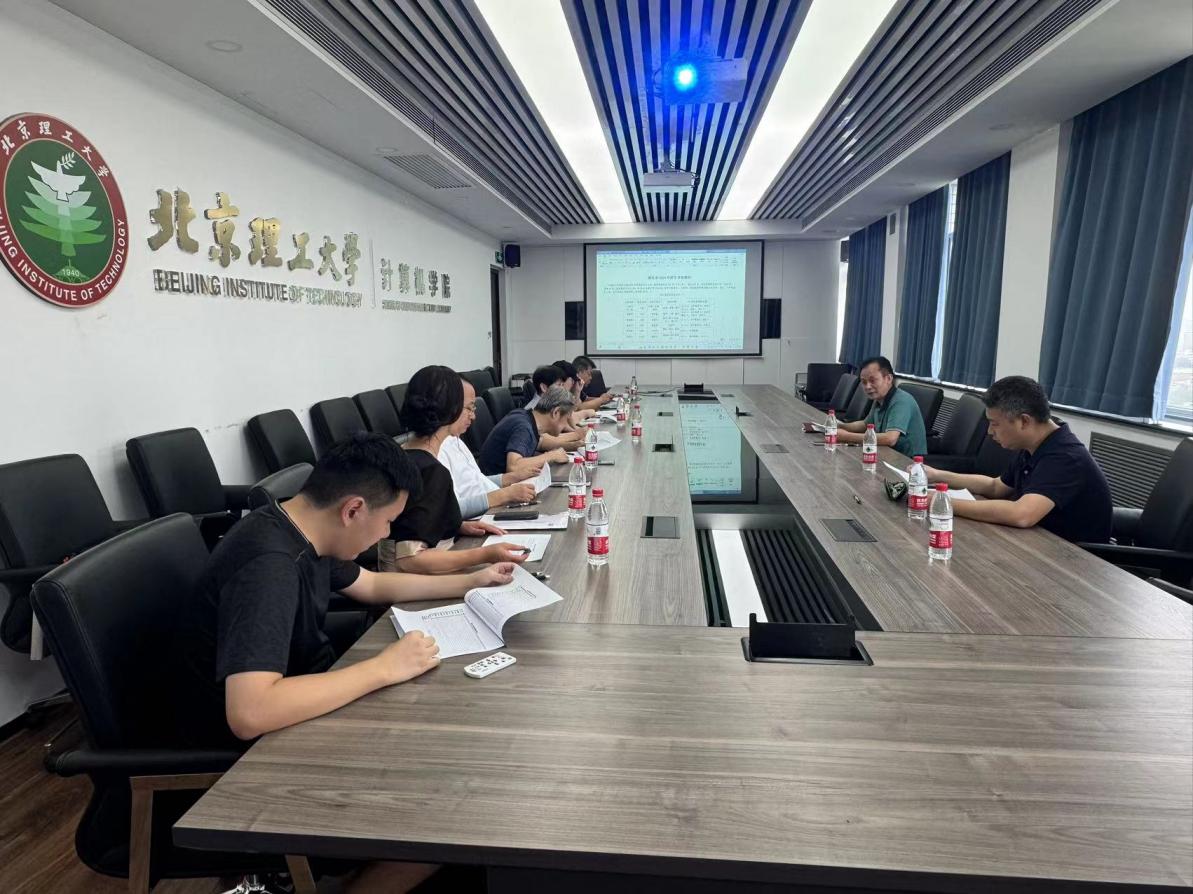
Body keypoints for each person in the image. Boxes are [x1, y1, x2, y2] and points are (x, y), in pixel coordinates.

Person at [177, 431, 516, 751]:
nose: (386, 534)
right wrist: (383, 668)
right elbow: (250, 713)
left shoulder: (303, 525)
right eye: (388, 521)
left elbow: (372, 584)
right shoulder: (269, 566)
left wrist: (471, 581)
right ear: (353, 510)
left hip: (307, 688)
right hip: (255, 745)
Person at [923, 376, 1112, 542]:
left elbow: (1022, 514)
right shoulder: (1035, 445)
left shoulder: (1066, 457)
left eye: (995, 424)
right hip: (1036, 541)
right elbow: (996, 487)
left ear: (1024, 421)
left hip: (1072, 558)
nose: (989, 432)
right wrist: (937, 475)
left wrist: (942, 502)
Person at [383, 365, 531, 573]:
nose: (473, 416)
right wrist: (485, 554)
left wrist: (455, 525)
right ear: (451, 409)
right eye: (468, 407)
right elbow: (410, 559)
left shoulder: (402, 452)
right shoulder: (430, 470)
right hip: (413, 582)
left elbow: (412, 523)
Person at [440, 376, 545, 518]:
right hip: (481, 516)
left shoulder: (454, 439)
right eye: (469, 408)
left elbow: (475, 482)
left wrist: (511, 477)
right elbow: (451, 510)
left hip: (492, 508)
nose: (473, 416)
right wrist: (505, 495)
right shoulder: (437, 450)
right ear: (448, 406)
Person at [825, 356, 927, 457]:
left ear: (888, 378)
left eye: (872, 380)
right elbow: (865, 425)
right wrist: (839, 426)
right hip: (886, 453)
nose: (868, 386)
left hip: (908, 460)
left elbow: (890, 439)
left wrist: (847, 437)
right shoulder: (879, 398)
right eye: (864, 382)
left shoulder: (901, 401)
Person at [478, 385, 575, 475]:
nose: (566, 425)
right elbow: (513, 467)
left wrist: (574, 445)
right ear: (556, 412)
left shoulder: (525, 416)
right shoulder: (524, 428)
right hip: (494, 484)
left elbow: (540, 443)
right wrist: (551, 456)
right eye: (566, 419)